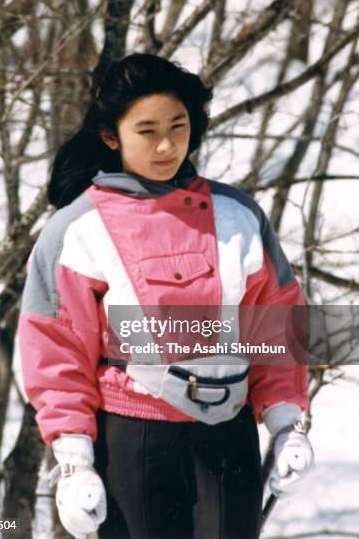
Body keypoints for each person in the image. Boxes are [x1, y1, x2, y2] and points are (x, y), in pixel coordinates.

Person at [18, 53, 314, 539]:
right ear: (111, 135)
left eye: (178, 127)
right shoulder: (76, 229)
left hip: (229, 439)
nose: (165, 145)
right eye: (147, 130)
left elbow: (277, 324)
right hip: (135, 442)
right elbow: (56, 351)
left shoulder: (238, 215)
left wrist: (286, 425)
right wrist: (73, 462)